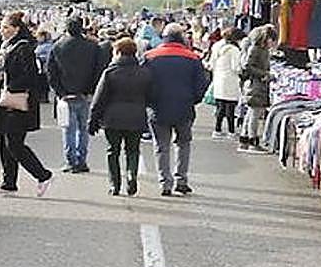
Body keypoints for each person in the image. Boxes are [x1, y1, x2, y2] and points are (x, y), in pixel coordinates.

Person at [0, 11, 54, 197]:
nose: (2, 30)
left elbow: (30, 77)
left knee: (14, 143)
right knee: (4, 142)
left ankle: (43, 175)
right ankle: (8, 183)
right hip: (6, 100)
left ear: (16, 29)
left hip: (18, 101)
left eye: (6, 27)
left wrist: (10, 84)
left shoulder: (23, 48)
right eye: (1, 27)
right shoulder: (8, 46)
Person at [144, 23, 210, 196]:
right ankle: (181, 180)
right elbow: (201, 85)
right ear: (182, 38)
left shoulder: (150, 56)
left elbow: (143, 83)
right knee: (183, 144)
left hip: (158, 109)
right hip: (184, 108)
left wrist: (149, 102)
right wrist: (193, 100)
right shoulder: (193, 58)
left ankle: (165, 182)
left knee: (161, 146)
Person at [89, 37, 152, 196]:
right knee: (132, 150)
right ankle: (131, 176)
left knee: (112, 151)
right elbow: (151, 96)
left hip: (112, 118)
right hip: (136, 117)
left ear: (117, 52)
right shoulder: (144, 72)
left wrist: (93, 120)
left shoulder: (110, 73)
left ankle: (114, 184)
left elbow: (99, 98)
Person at [47, 17, 104, 173]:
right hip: (85, 95)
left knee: (68, 129)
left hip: (66, 95)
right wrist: (91, 90)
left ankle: (71, 161)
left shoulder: (57, 46)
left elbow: (51, 73)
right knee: (83, 129)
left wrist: (60, 92)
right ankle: (82, 160)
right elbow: (98, 71)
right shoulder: (93, 47)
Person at [239, 24, 278, 153]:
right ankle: (252, 141)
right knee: (255, 113)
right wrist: (265, 74)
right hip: (256, 85)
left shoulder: (260, 49)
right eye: (272, 40)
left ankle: (244, 140)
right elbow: (247, 66)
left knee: (252, 113)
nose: (272, 43)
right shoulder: (256, 49)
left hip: (257, 84)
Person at [207, 28, 244, 139]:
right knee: (230, 108)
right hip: (230, 81)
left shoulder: (217, 46)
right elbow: (236, 67)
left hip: (218, 79)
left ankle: (217, 130)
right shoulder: (234, 50)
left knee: (220, 107)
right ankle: (231, 131)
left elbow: (211, 64)